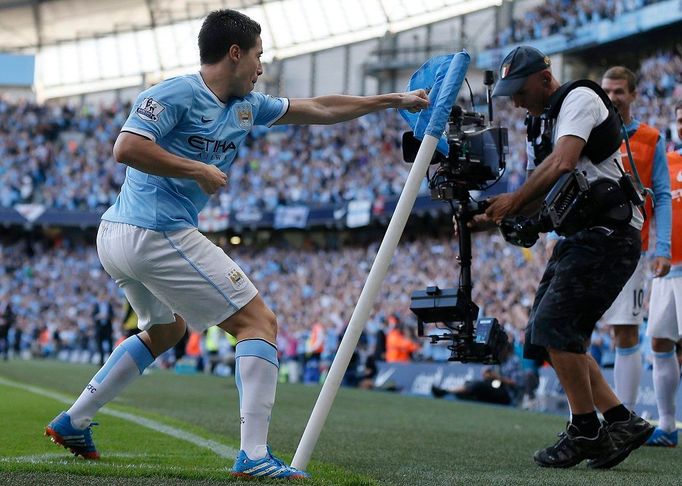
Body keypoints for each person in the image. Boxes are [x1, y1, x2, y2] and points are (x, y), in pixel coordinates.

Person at [43, 8, 428, 480]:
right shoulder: (175, 93)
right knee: (258, 321)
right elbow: (126, 147)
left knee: (166, 331)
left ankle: (74, 420)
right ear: (234, 53)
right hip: (154, 231)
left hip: (120, 237)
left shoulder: (247, 106)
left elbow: (321, 109)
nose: (262, 68)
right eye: (258, 57)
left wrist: (392, 100)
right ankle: (254, 454)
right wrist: (196, 168)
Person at [485, 45, 653, 469]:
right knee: (547, 335)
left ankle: (585, 430)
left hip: (610, 233)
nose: (516, 101)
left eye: (520, 90)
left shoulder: (579, 98)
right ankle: (620, 420)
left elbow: (563, 163)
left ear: (545, 78)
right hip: (582, 235)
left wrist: (512, 202)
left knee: (555, 327)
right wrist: (482, 216)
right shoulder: (537, 124)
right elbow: (532, 194)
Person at [599, 66, 671, 412]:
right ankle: (579, 419)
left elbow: (662, 195)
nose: (612, 98)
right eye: (607, 91)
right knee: (575, 332)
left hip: (632, 250)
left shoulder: (650, 139)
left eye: (619, 92)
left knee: (625, 331)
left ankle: (622, 418)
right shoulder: (584, 133)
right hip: (588, 244)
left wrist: (663, 248)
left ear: (633, 95)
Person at [644, 101, 682, 447]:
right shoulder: (668, 162)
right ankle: (668, 426)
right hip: (666, 268)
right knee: (659, 342)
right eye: (680, 120)